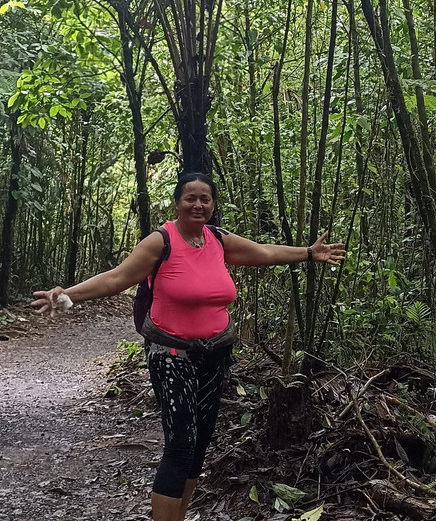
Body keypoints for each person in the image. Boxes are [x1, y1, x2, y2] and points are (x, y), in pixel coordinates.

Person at [31, 171, 345, 521]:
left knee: (199, 443)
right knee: (180, 443)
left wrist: (308, 252)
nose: (198, 204)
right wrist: (66, 295)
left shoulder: (218, 239)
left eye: (205, 199)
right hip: (171, 354)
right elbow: (117, 278)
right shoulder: (160, 241)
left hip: (215, 353)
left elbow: (263, 252)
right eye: (190, 198)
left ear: (212, 205)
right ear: (178, 202)